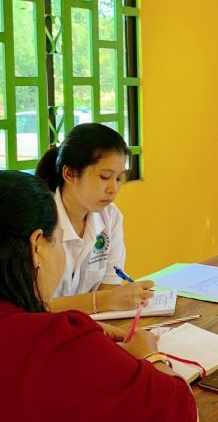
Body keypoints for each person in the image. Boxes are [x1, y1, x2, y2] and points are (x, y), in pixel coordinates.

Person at [0, 170, 197, 420]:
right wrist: (150, 355)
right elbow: (179, 409)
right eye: (58, 241)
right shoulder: (55, 341)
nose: (112, 188)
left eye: (119, 177)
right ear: (36, 246)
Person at [35, 123, 153, 315]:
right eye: (104, 177)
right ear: (69, 174)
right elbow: (34, 307)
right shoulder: (38, 220)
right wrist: (102, 301)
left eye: (119, 178)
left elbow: (110, 290)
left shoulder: (111, 217)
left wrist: (107, 300)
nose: (113, 189)